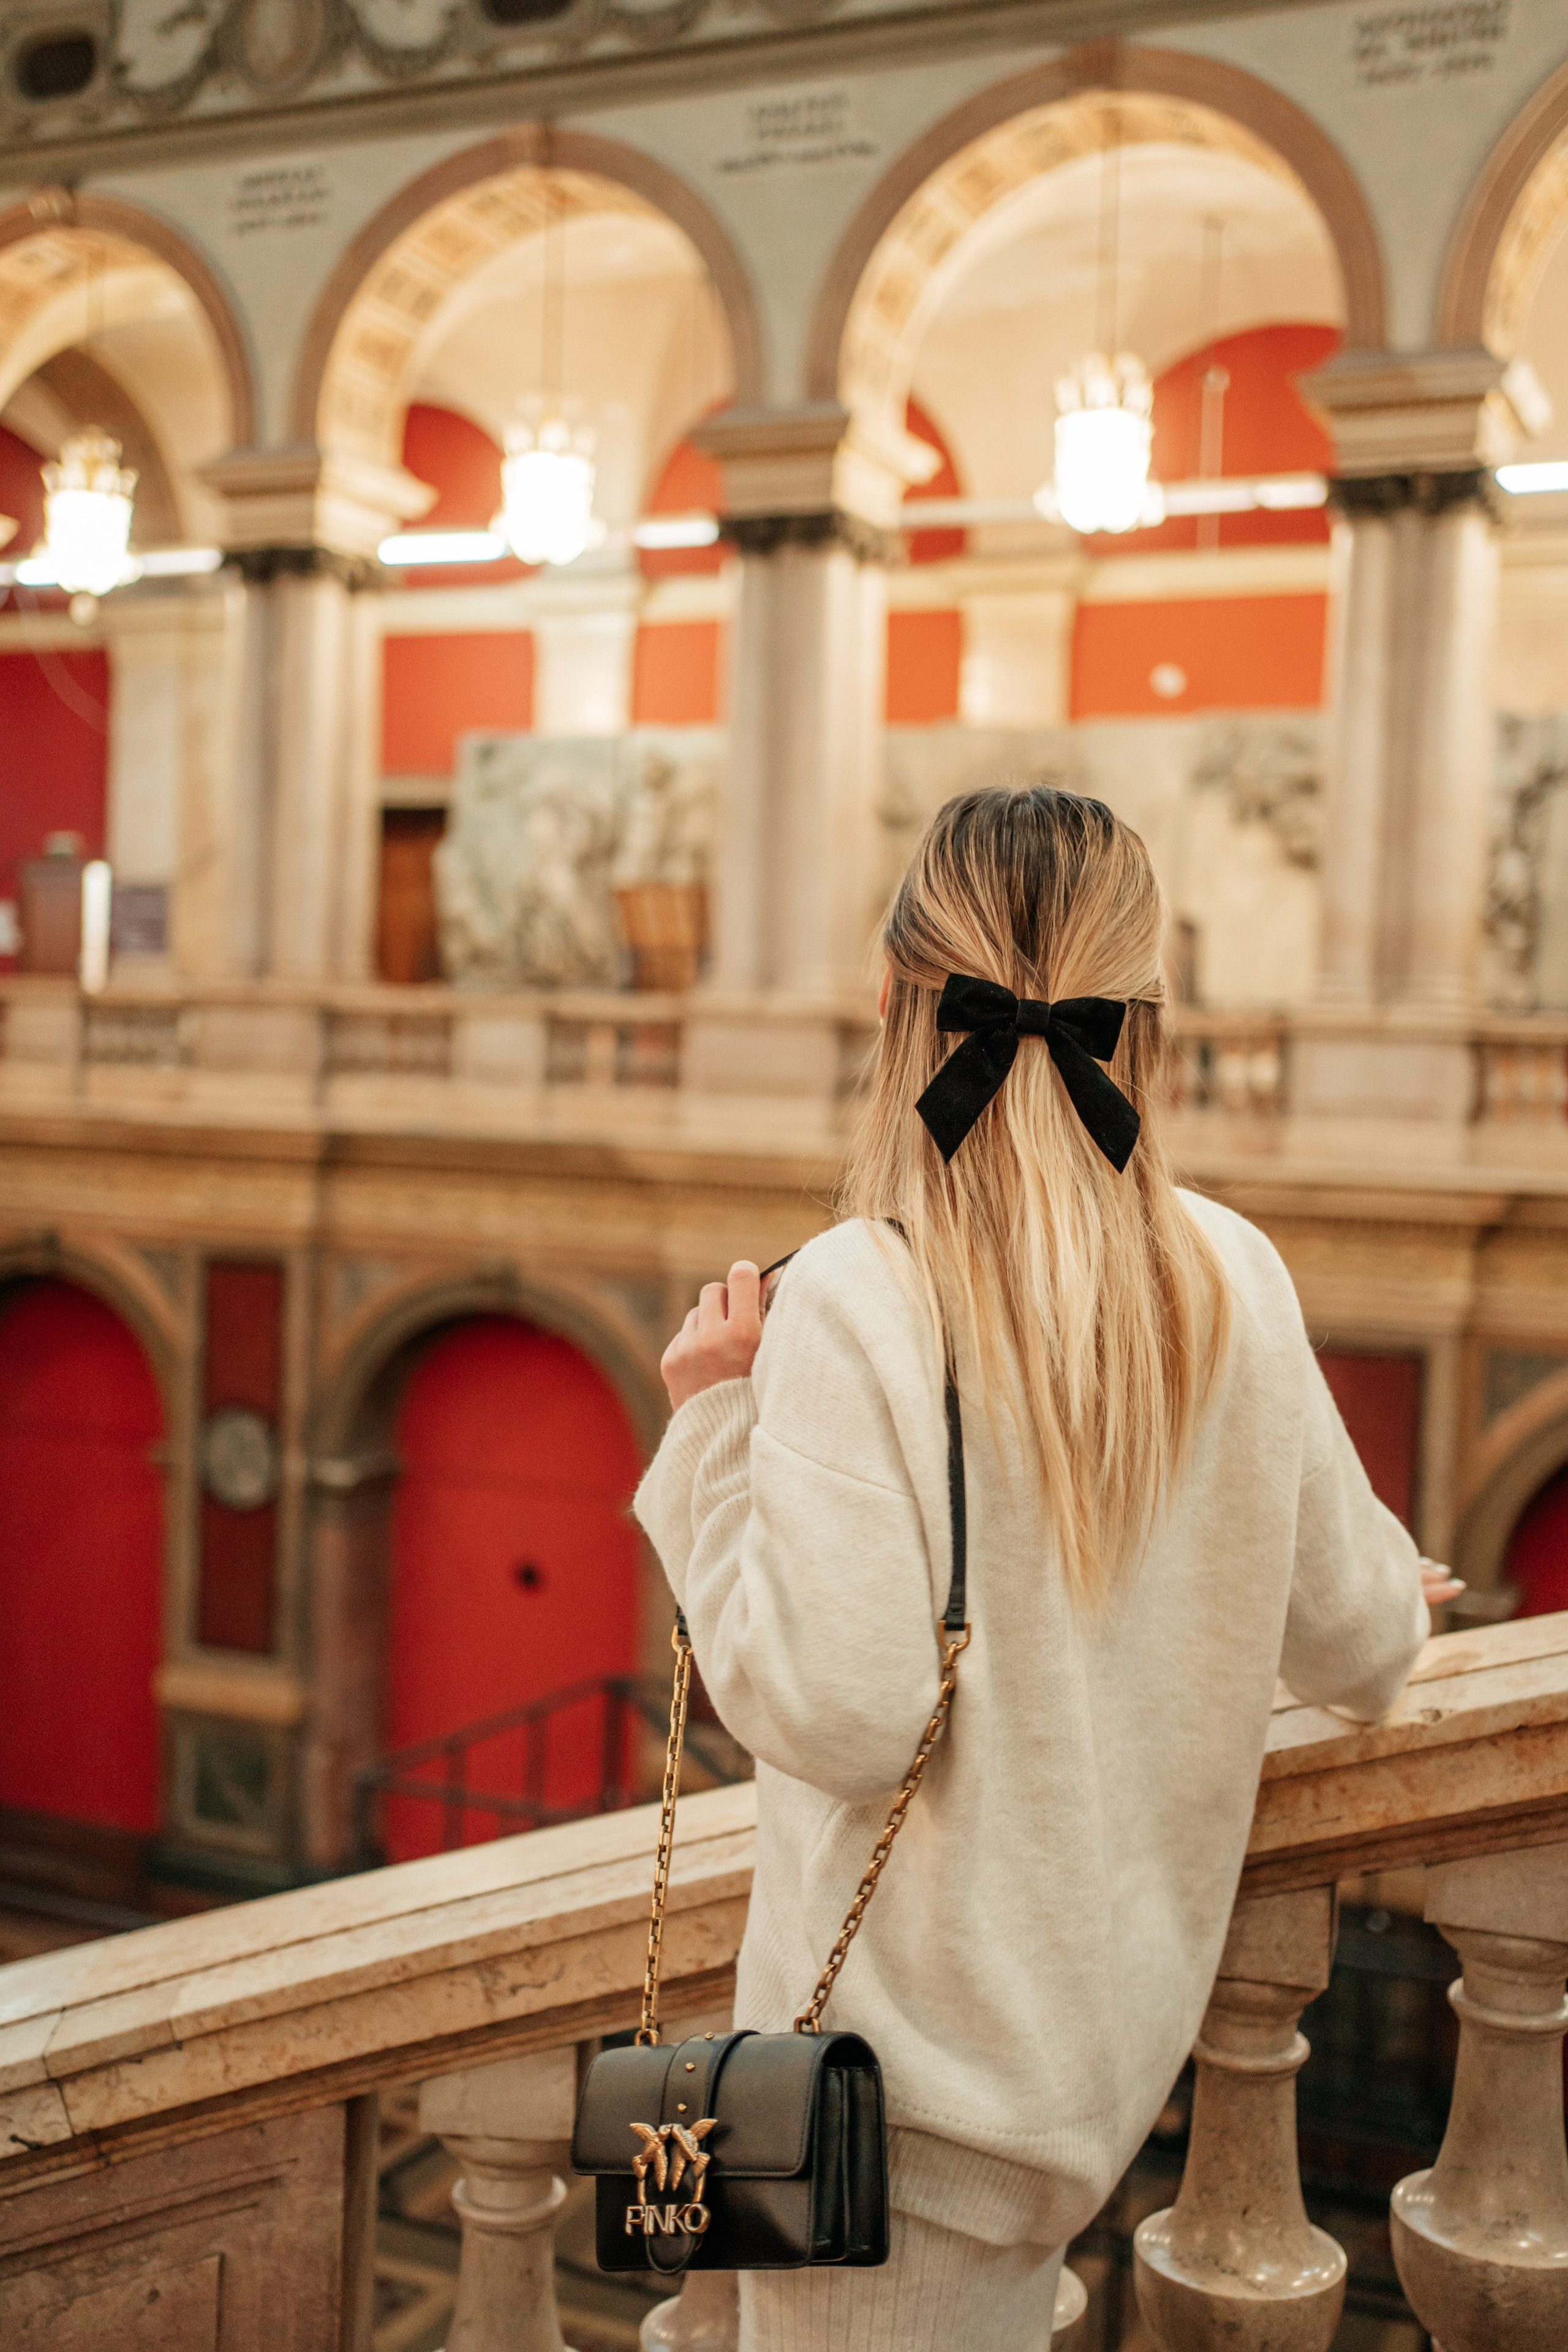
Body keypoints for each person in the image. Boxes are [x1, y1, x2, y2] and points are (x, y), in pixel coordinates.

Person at [633, 786, 1457, 2351]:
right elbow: (1359, 1645)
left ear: (894, 999)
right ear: (1147, 1016)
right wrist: (1303, 1576)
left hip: (883, 2112)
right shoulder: (1234, 1272)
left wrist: (711, 1431)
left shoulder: (856, 1295)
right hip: (1084, 2082)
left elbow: (837, 1716)